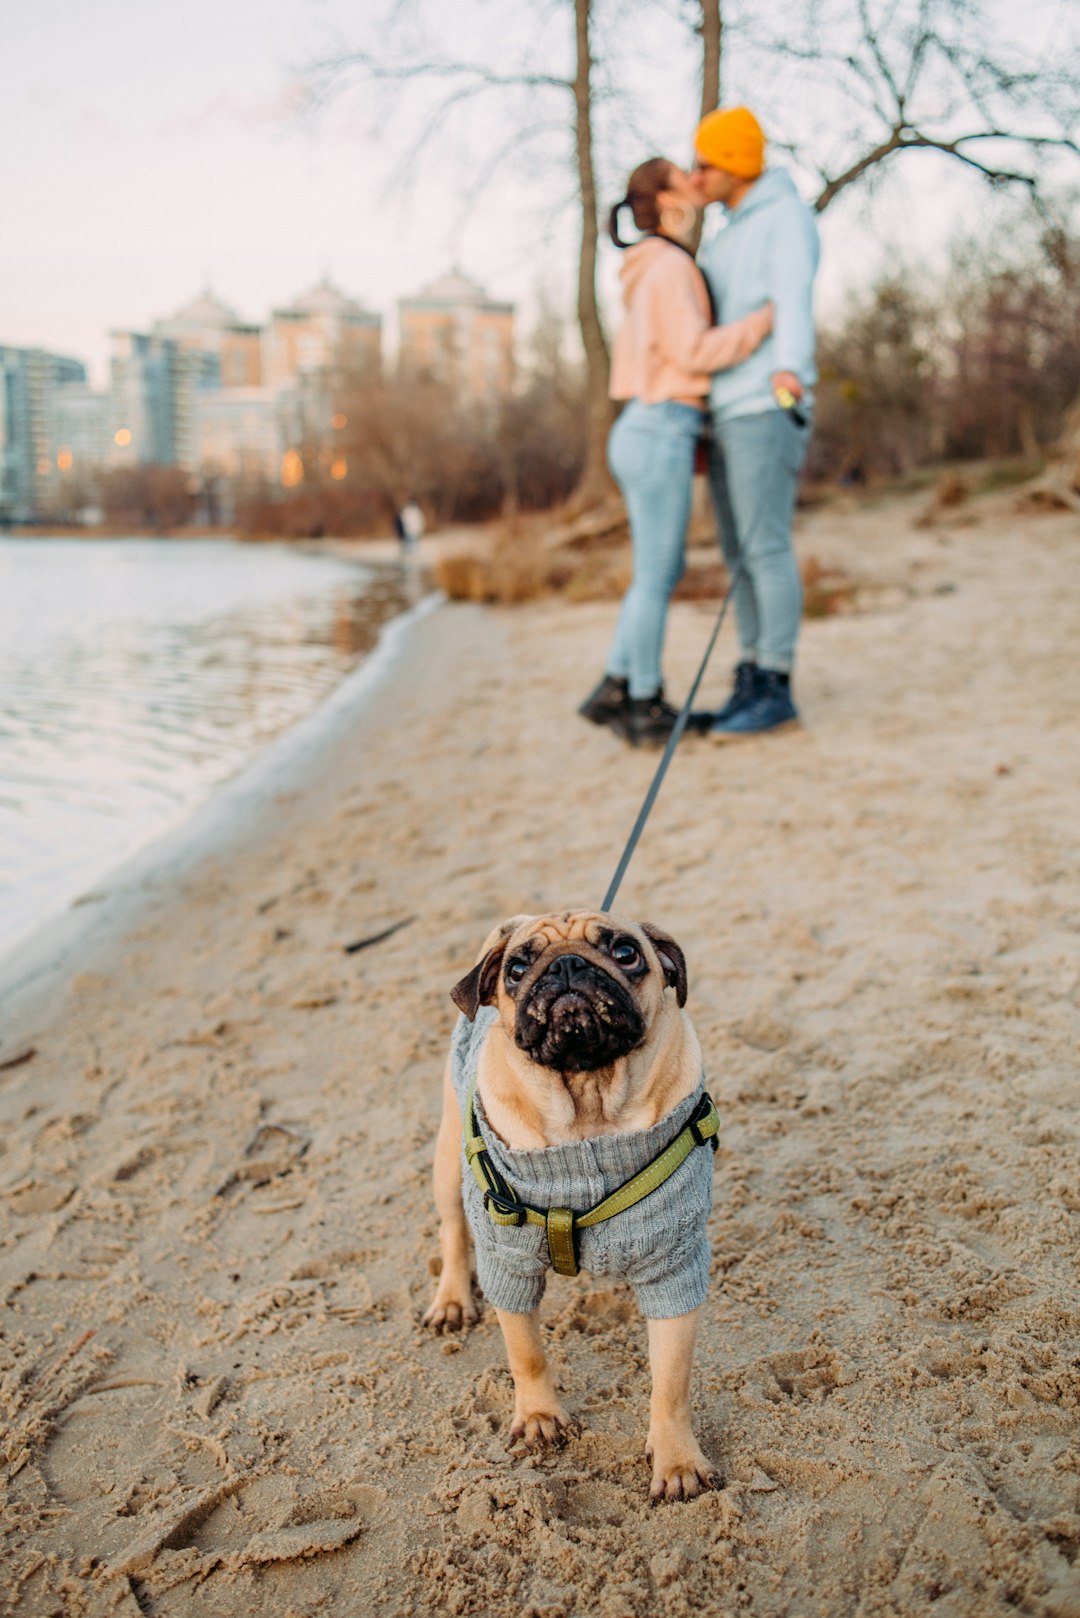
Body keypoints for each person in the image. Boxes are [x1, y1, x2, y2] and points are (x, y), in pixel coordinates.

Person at [578, 157, 774, 748]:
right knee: (658, 577)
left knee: (653, 576)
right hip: (660, 425)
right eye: (680, 177)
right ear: (665, 201)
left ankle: (616, 687)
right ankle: (644, 703)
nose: (695, 181)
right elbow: (691, 351)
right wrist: (762, 324)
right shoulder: (666, 266)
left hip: (651, 425)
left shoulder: (652, 265)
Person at [690, 106, 820, 739]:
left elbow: (792, 296)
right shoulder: (729, 228)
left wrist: (790, 370)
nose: (695, 175)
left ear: (734, 163)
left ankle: (778, 680)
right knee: (737, 551)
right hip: (724, 409)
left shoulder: (784, 217)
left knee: (765, 546)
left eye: (703, 163)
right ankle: (749, 671)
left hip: (767, 403)